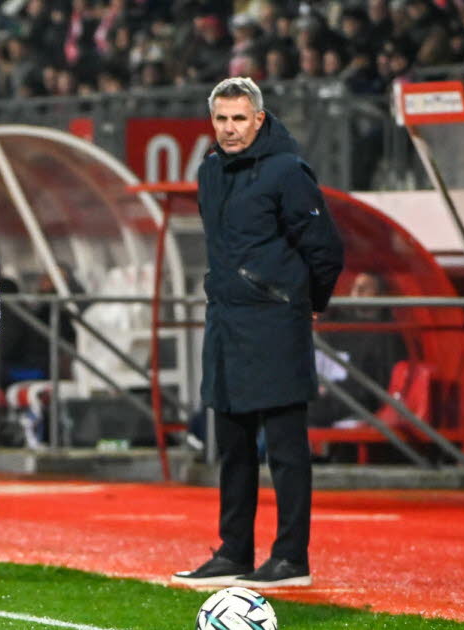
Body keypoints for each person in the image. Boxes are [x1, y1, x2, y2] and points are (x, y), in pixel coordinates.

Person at [172, 77, 344, 589]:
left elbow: (326, 249)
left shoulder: (288, 172)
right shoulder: (208, 171)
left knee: (287, 448)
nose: (229, 129)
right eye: (221, 119)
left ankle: (292, 558)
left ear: (259, 119)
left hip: (274, 321)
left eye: (239, 119)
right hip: (225, 321)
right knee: (233, 445)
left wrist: (306, 302)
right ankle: (234, 552)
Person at [309, 271, 407, 429]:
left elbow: (374, 387)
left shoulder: (387, 334)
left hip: (353, 403)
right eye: (355, 287)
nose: (358, 291)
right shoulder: (336, 326)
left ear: (380, 296)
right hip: (327, 397)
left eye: (365, 288)